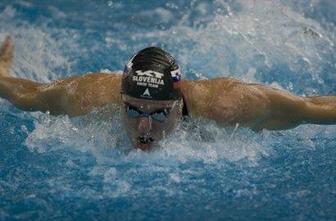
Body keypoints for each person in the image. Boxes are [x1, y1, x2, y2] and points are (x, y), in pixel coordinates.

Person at [0, 36, 335, 150]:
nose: (145, 129)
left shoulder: (229, 107)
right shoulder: (87, 98)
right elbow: (24, 94)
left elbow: (312, 107)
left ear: (180, 102)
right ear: (119, 98)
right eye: (133, 110)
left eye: (159, 113)